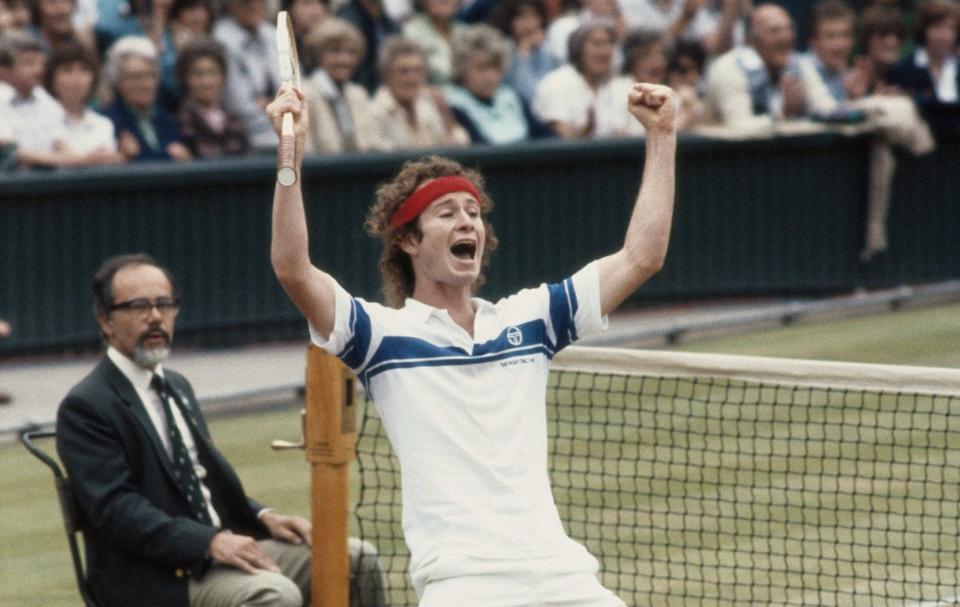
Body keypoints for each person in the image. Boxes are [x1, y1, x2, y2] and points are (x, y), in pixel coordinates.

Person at [267, 62, 678, 607]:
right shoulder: (380, 335)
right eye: (446, 213)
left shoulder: (530, 318)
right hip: (464, 582)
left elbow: (642, 257)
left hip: (561, 573)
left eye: (472, 212)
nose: (467, 222)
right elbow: (294, 268)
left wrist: (663, 136)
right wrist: (289, 152)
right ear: (409, 241)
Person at [56, 253, 386, 607]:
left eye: (165, 304)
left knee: (357, 560)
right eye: (139, 306)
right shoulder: (86, 406)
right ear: (106, 320)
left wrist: (264, 517)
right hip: (152, 578)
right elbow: (118, 511)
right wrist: (209, 542)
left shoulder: (176, 386)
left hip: (220, 547)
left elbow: (203, 481)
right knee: (274, 595)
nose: (155, 317)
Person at [703, 3, 806, 135]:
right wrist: (782, 115)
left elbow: (825, 109)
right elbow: (740, 128)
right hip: (728, 153)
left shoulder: (796, 64)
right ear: (752, 40)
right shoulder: (728, 69)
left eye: (789, 28)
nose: (786, 36)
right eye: (775, 30)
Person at [444, 23, 547, 144]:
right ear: (462, 69)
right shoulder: (453, 105)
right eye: (481, 68)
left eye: (495, 67)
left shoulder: (512, 97)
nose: (490, 77)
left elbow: (545, 136)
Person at [369, 35, 469, 150]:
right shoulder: (373, 112)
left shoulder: (430, 103)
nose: (412, 78)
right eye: (403, 71)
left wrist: (447, 119)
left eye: (418, 70)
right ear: (385, 74)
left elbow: (460, 143)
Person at [101, 35, 192, 161]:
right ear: (118, 82)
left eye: (152, 75)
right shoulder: (108, 123)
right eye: (137, 77)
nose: (147, 84)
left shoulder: (168, 120)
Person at [301, 17, 380, 153]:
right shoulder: (304, 94)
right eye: (335, 51)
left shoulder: (358, 94)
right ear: (318, 54)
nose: (344, 60)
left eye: (351, 52)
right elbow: (305, 150)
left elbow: (373, 144)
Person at [533, 19, 621, 139]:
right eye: (597, 44)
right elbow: (561, 139)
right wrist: (587, 130)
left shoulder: (619, 85)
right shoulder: (556, 84)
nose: (605, 52)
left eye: (610, 44)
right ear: (578, 49)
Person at [45, 39, 127, 165]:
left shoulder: (104, 124)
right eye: (67, 70)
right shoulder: (41, 118)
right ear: (52, 79)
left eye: (84, 70)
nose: (77, 78)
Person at [213, 0, 281, 150]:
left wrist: (268, 103)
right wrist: (277, 104)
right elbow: (239, 106)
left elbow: (294, 89)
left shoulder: (273, 33)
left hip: (284, 134)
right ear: (230, 5)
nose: (253, 6)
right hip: (249, 141)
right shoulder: (221, 40)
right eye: (245, 2)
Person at [887, 0, 960, 138]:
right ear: (924, 30)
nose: (943, 36)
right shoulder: (903, 69)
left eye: (950, 28)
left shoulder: (957, 67)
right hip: (921, 147)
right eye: (937, 27)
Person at [174, 35, 251, 158]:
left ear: (222, 76)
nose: (207, 82)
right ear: (185, 78)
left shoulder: (236, 122)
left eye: (212, 72)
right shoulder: (178, 123)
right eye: (198, 74)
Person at [490, 0, 559, 105]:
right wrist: (522, 54)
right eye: (521, 17)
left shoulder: (547, 49)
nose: (528, 23)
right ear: (510, 20)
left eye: (533, 16)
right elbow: (526, 94)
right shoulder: (501, 49)